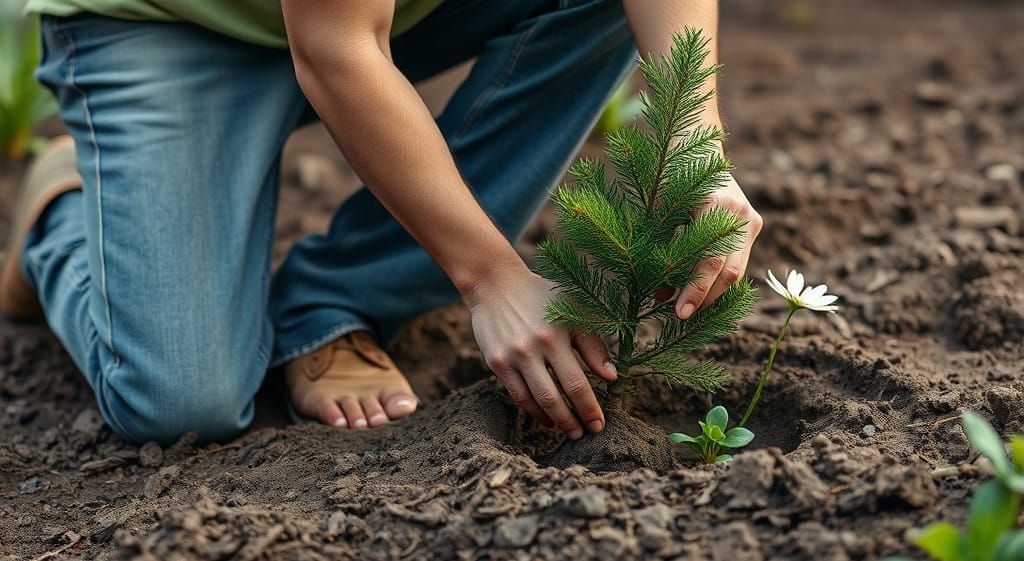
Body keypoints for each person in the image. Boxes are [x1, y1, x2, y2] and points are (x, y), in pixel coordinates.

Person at [1, 0, 762, 445]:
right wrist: (491, 277)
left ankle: (336, 299)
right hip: (170, 29)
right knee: (180, 404)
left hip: (394, 12)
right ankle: (62, 217)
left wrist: (695, 146)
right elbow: (334, 46)